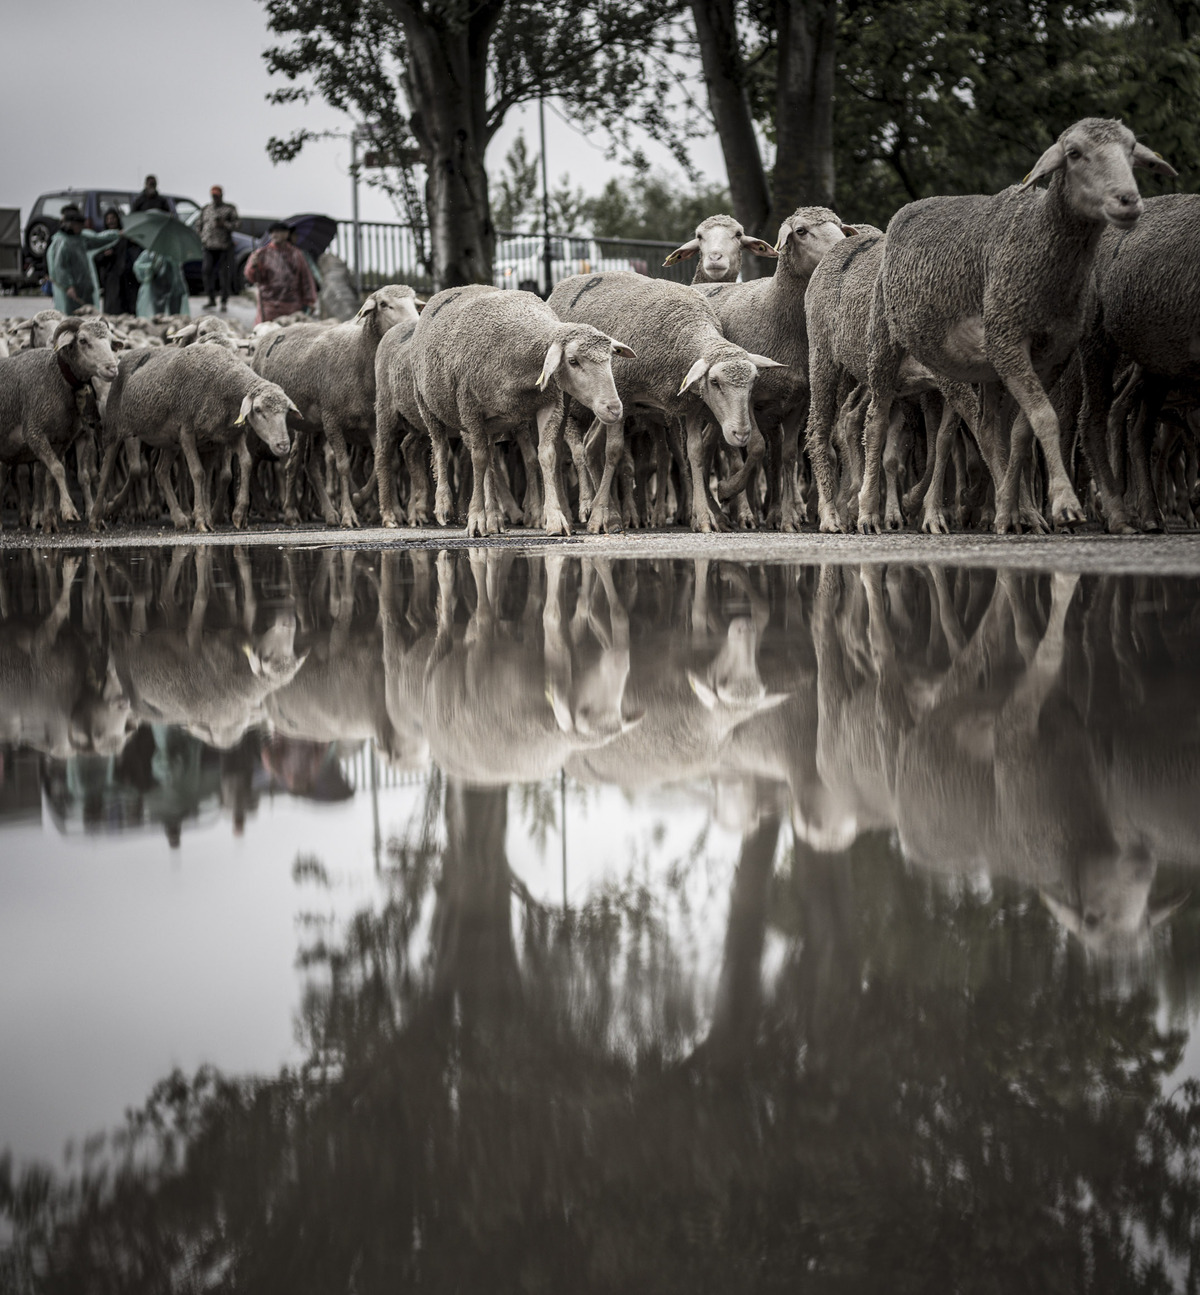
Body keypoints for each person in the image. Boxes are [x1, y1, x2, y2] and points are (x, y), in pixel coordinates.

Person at [44, 204, 120, 314]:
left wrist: (116, 234)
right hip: (70, 290)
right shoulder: (62, 242)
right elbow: (60, 267)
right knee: (71, 318)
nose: (81, 228)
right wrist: (68, 286)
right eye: (78, 225)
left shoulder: (80, 238)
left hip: (84, 288)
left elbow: (98, 239)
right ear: (71, 225)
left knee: (87, 317)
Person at [243, 221, 318, 323]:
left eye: (278, 232)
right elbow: (252, 277)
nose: (274, 235)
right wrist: (253, 266)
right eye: (272, 232)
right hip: (269, 305)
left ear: (286, 234)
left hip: (292, 305)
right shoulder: (261, 254)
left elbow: (305, 278)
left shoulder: (296, 254)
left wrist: (310, 300)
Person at [198, 185, 239, 310]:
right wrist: (202, 236)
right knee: (206, 271)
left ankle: (224, 301)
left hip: (224, 247)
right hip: (208, 246)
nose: (215, 198)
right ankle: (211, 299)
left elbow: (237, 224)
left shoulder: (229, 209)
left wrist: (224, 224)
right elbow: (199, 224)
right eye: (213, 195)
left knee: (224, 275)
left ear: (221, 195)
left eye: (217, 195)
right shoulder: (206, 209)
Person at [93, 208, 138, 315]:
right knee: (113, 308)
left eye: (113, 218)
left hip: (127, 277)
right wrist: (104, 254)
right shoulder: (103, 237)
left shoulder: (125, 236)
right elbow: (96, 257)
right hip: (111, 278)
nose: (110, 221)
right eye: (108, 219)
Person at [133, 247, 190, 318]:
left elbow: (176, 273)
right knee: (159, 315)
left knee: (174, 315)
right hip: (157, 289)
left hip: (173, 288)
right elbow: (139, 267)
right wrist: (151, 267)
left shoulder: (172, 255)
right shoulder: (150, 254)